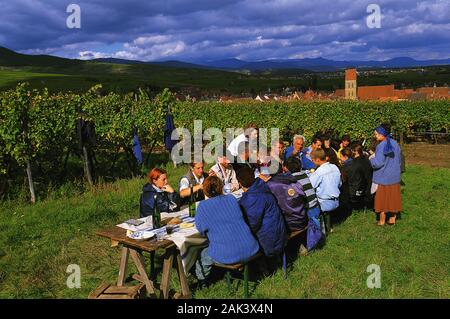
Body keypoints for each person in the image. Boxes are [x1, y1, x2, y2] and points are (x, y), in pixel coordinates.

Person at [194, 176, 260, 285]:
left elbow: (201, 230)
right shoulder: (231, 199)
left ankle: (203, 283)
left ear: (205, 190)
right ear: (221, 187)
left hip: (228, 253)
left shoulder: (203, 206)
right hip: (250, 246)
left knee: (203, 255)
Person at [236, 166, 288, 258]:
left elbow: (252, 225)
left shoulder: (251, 199)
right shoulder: (262, 186)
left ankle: (263, 266)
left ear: (240, 183)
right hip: (281, 234)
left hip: (271, 242)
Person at [284, 156, 323, 251]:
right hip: (315, 207)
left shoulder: (292, 180)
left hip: (308, 211)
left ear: (287, 168)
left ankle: (303, 245)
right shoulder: (304, 175)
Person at [370, 125, 402, 226]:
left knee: (382, 199)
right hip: (394, 176)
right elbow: (399, 159)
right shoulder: (395, 143)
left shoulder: (381, 145)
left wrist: (371, 159)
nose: (375, 136)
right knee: (393, 198)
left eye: (376, 134)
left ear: (382, 134)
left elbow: (378, 163)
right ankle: (392, 219)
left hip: (383, 177)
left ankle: (382, 221)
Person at [309, 149, 342, 234]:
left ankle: (320, 229)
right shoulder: (335, 167)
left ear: (317, 160)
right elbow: (340, 184)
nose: (312, 162)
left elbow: (311, 185)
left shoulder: (319, 172)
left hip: (324, 203)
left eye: (312, 160)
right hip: (336, 200)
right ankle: (329, 225)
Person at [341, 144, 373, 211]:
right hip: (368, 187)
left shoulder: (354, 164)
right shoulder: (365, 159)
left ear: (355, 152)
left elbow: (352, 180)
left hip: (359, 192)